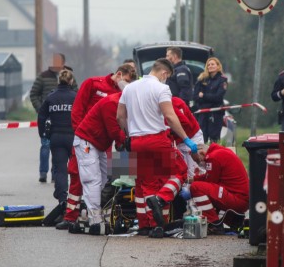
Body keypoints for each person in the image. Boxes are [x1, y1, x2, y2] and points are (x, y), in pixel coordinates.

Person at [117, 58, 196, 239]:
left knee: (144, 183)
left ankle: (145, 224)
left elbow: (120, 116)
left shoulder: (129, 88)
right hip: (157, 140)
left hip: (136, 142)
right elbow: (170, 116)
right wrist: (186, 139)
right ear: (164, 73)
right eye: (166, 77)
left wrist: (129, 135)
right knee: (179, 172)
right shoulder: (161, 88)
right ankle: (160, 208)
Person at [55, 63, 137, 230]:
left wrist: (124, 145)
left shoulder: (122, 95)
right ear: (119, 74)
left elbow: (121, 127)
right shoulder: (94, 84)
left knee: (107, 179)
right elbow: (78, 111)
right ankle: (74, 216)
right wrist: (80, 134)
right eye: (127, 81)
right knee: (81, 176)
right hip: (87, 137)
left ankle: (93, 213)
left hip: (104, 142)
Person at [71, 92, 127, 235]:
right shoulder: (111, 103)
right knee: (92, 180)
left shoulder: (123, 102)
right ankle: (95, 218)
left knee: (104, 179)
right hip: (87, 141)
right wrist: (126, 142)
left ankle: (93, 212)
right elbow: (114, 130)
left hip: (98, 143)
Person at [37, 69, 77, 225]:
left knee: (60, 170)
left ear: (58, 81)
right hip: (73, 138)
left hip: (56, 137)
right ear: (71, 81)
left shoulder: (51, 97)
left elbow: (41, 116)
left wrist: (43, 135)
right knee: (75, 170)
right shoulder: (76, 97)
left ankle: (62, 199)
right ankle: (75, 200)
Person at [30, 53, 76, 183]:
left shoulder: (70, 75)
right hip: (48, 117)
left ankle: (56, 174)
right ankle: (43, 173)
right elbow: (34, 94)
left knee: (58, 148)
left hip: (64, 119)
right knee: (45, 145)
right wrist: (41, 109)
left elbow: (77, 93)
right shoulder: (43, 76)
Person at [188, 142, 249, 234]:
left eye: (198, 160)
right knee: (202, 187)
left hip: (237, 199)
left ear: (202, 153)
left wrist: (193, 184)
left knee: (196, 188)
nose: (199, 163)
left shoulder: (212, 157)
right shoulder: (220, 152)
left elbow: (210, 181)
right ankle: (232, 219)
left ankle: (214, 223)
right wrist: (192, 179)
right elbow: (209, 177)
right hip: (239, 198)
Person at [193, 57, 227, 143]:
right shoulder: (201, 79)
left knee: (214, 138)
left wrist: (204, 96)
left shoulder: (222, 80)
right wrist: (208, 98)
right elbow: (196, 97)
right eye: (208, 65)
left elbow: (218, 97)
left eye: (212, 64)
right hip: (203, 113)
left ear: (218, 66)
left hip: (215, 113)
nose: (210, 66)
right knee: (201, 137)